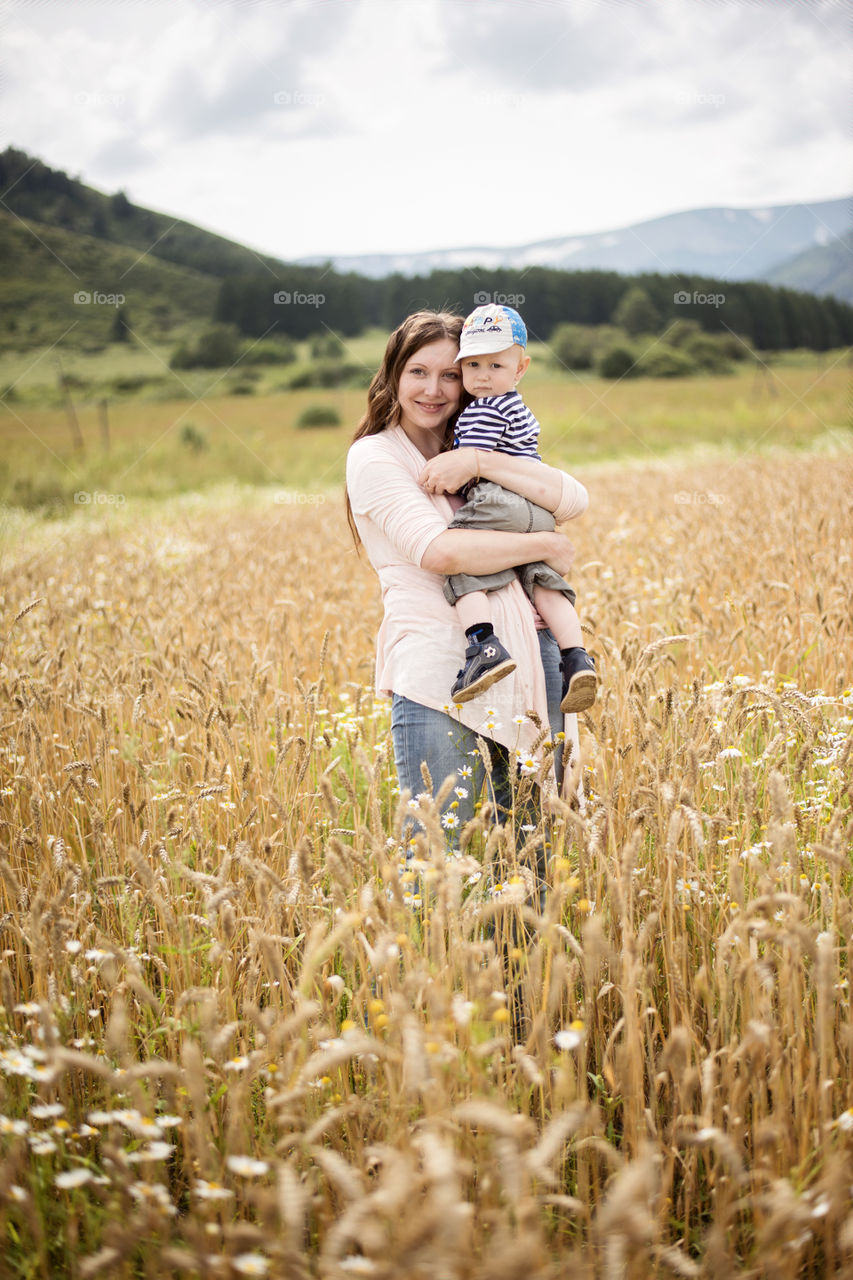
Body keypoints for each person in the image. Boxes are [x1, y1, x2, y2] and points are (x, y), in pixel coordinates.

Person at [345, 310, 589, 842]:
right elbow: (439, 551)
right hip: (441, 673)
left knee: (535, 851)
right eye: (417, 372)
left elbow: (573, 497)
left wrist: (478, 461)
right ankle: (443, 932)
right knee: (437, 854)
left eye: (450, 374)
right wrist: (543, 544)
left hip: (531, 661)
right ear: (392, 375)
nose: (434, 389)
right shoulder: (375, 456)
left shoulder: (483, 439)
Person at [442, 303, 597, 713]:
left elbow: (468, 460)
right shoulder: (519, 407)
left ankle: (482, 644)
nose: (482, 375)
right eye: (472, 364)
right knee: (541, 577)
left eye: (496, 365)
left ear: (520, 367)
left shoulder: (482, 409)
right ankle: (576, 656)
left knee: (461, 559)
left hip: (496, 500)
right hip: (535, 507)